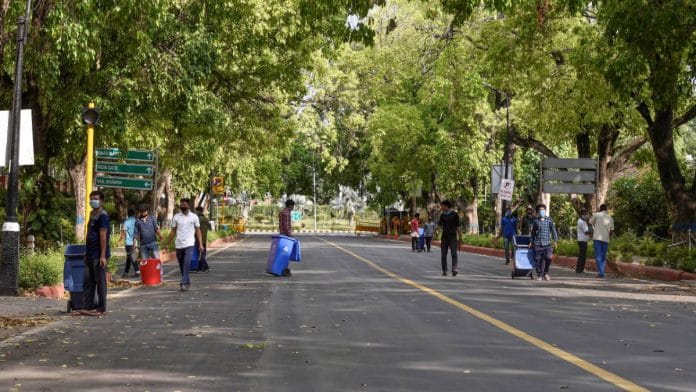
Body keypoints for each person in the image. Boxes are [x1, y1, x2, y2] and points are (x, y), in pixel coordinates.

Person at [164, 198, 204, 291]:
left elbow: (198, 231)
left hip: (189, 244)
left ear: (188, 206)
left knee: (186, 263)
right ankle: (187, 280)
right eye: (181, 205)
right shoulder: (176, 217)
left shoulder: (194, 217)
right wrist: (167, 243)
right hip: (178, 244)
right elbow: (173, 231)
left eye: (184, 205)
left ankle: (184, 283)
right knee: (182, 264)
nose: (183, 206)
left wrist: (200, 244)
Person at [82, 190, 110, 316]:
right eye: (92, 198)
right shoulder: (92, 213)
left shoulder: (103, 215)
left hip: (99, 254)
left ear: (101, 201)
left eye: (96, 199)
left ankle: (101, 307)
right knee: (88, 280)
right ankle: (87, 306)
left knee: (100, 281)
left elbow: (103, 236)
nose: (93, 201)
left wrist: (103, 256)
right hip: (90, 253)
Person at [530, 204, 558, 281]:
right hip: (538, 243)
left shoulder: (549, 220)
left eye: (543, 210)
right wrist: (531, 241)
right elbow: (533, 233)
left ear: (545, 211)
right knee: (537, 260)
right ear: (538, 212)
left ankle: (546, 273)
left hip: (547, 243)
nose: (542, 211)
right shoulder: (535, 221)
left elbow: (553, 231)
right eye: (540, 210)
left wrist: (555, 241)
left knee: (549, 257)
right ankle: (539, 275)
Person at [437, 200, 462, 276]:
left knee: (454, 253)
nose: (441, 207)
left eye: (442, 206)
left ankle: (454, 268)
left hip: (453, 237)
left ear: (446, 206)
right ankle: (444, 270)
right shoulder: (442, 215)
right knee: (443, 254)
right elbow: (439, 225)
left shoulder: (454, 214)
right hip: (444, 237)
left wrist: (460, 238)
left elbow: (458, 227)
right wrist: (435, 231)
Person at [590, 204, 614, 278]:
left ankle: (601, 272)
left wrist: (593, 230)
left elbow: (590, 222)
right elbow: (611, 230)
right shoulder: (610, 218)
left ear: (600, 209)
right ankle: (601, 272)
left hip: (597, 238)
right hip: (606, 239)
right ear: (606, 209)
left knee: (598, 255)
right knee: (603, 256)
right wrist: (609, 238)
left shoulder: (596, 215)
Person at [118, 208, 139, 278]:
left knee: (132, 257)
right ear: (134, 214)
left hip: (129, 243)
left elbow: (123, 233)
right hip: (136, 242)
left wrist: (119, 241)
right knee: (129, 258)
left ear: (128, 214)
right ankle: (126, 272)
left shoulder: (126, 222)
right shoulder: (137, 221)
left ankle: (137, 271)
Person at [278, 199, 295, 276]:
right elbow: (286, 225)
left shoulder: (281, 212)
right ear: (290, 206)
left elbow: (281, 225)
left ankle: (280, 268)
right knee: (286, 254)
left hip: (281, 235)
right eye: (293, 206)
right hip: (286, 237)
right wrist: (290, 235)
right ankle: (284, 270)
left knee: (282, 253)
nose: (293, 208)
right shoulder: (287, 213)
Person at [195, 206, 212, 273]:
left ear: (198, 211)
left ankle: (205, 267)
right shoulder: (205, 218)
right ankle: (200, 268)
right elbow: (210, 228)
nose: (195, 212)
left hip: (199, 239)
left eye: (196, 211)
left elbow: (196, 229)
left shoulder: (198, 219)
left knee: (201, 254)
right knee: (202, 253)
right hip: (204, 238)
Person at [575, 208, 592, 273]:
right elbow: (586, 232)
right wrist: (594, 233)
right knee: (582, 256)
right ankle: (580, 269)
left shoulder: (581, 221)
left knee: (581, 255)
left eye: (586, 213)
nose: (586, 215)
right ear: (582, 214)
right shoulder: (582, 222)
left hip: (581, 240)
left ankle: (579, 269)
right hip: (582, 241)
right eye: (585, 214)